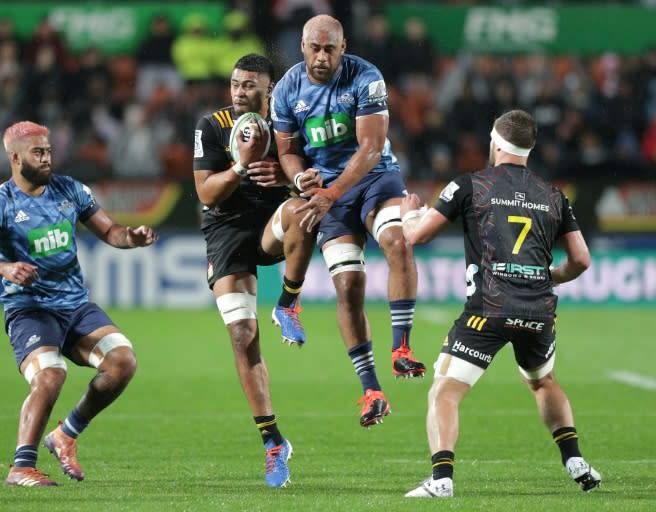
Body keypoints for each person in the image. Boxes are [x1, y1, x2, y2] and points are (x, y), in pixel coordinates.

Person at [399, 110, 601, 497]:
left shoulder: (469, 185)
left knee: (445, 392)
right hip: (539, 311)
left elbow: (418, 236)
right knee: (543, 382)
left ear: (494, 142)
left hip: (488, 310)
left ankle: (441, 479)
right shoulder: (554, 195)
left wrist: (409, 216)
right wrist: (550, 276)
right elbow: (581, 260)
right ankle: (574, 459)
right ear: (530, 148)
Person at [0, 121, 158, 487]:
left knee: (122, 361)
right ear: (15, 158)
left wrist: (132, 236)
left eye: (48, 150)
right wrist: (5, 268)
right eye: (38, 152)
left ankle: (66, 433)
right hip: (30, 310)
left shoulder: (70, 189)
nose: (47, 157)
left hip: (75, 305)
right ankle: (21, 466)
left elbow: (110, 230)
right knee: (51, 375)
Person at [270, 14, 425, 428]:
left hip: (372, 178)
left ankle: (402, 349)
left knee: (397, 239)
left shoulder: (366, 77)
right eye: (315, 48)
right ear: (302, 46)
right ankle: (372, 390)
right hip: (327, 195)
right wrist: (298, 176)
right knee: (348, 285)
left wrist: (330, 193)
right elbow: (287, 152)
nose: (322, 57)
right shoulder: (286, 88)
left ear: (344, 46)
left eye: (330, 49)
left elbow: (371, 148)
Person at [193, 53, 319, 488]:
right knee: (243, 336)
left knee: (303, 211)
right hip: (226, 231)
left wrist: (288, 178)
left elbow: (315, 179)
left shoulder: (290, 123)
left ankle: (288, 301)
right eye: (235, 84)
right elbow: (206, 193)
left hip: (270, 224)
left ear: (269, 90)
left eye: (249, 85)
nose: (240, 91)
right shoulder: (212, 126)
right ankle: (273, 443)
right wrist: (242, 166)